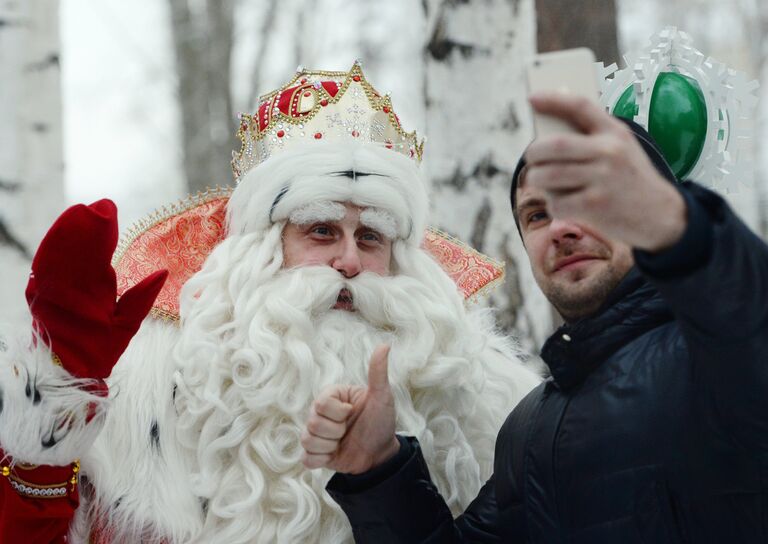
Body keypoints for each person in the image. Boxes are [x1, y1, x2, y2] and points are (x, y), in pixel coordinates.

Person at [0, 63, 541, 543]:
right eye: (323, 231)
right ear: (262, 250)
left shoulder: (489, 403)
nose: (348, 261)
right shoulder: (149, 394)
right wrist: (50, 414)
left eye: (371, 237)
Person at [302, 92, 768, 543]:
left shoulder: (714, 356)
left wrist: (680, 227)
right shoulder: (530, 428)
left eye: (586, 199)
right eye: (537, 215)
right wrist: (379, 469)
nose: (562, 228)